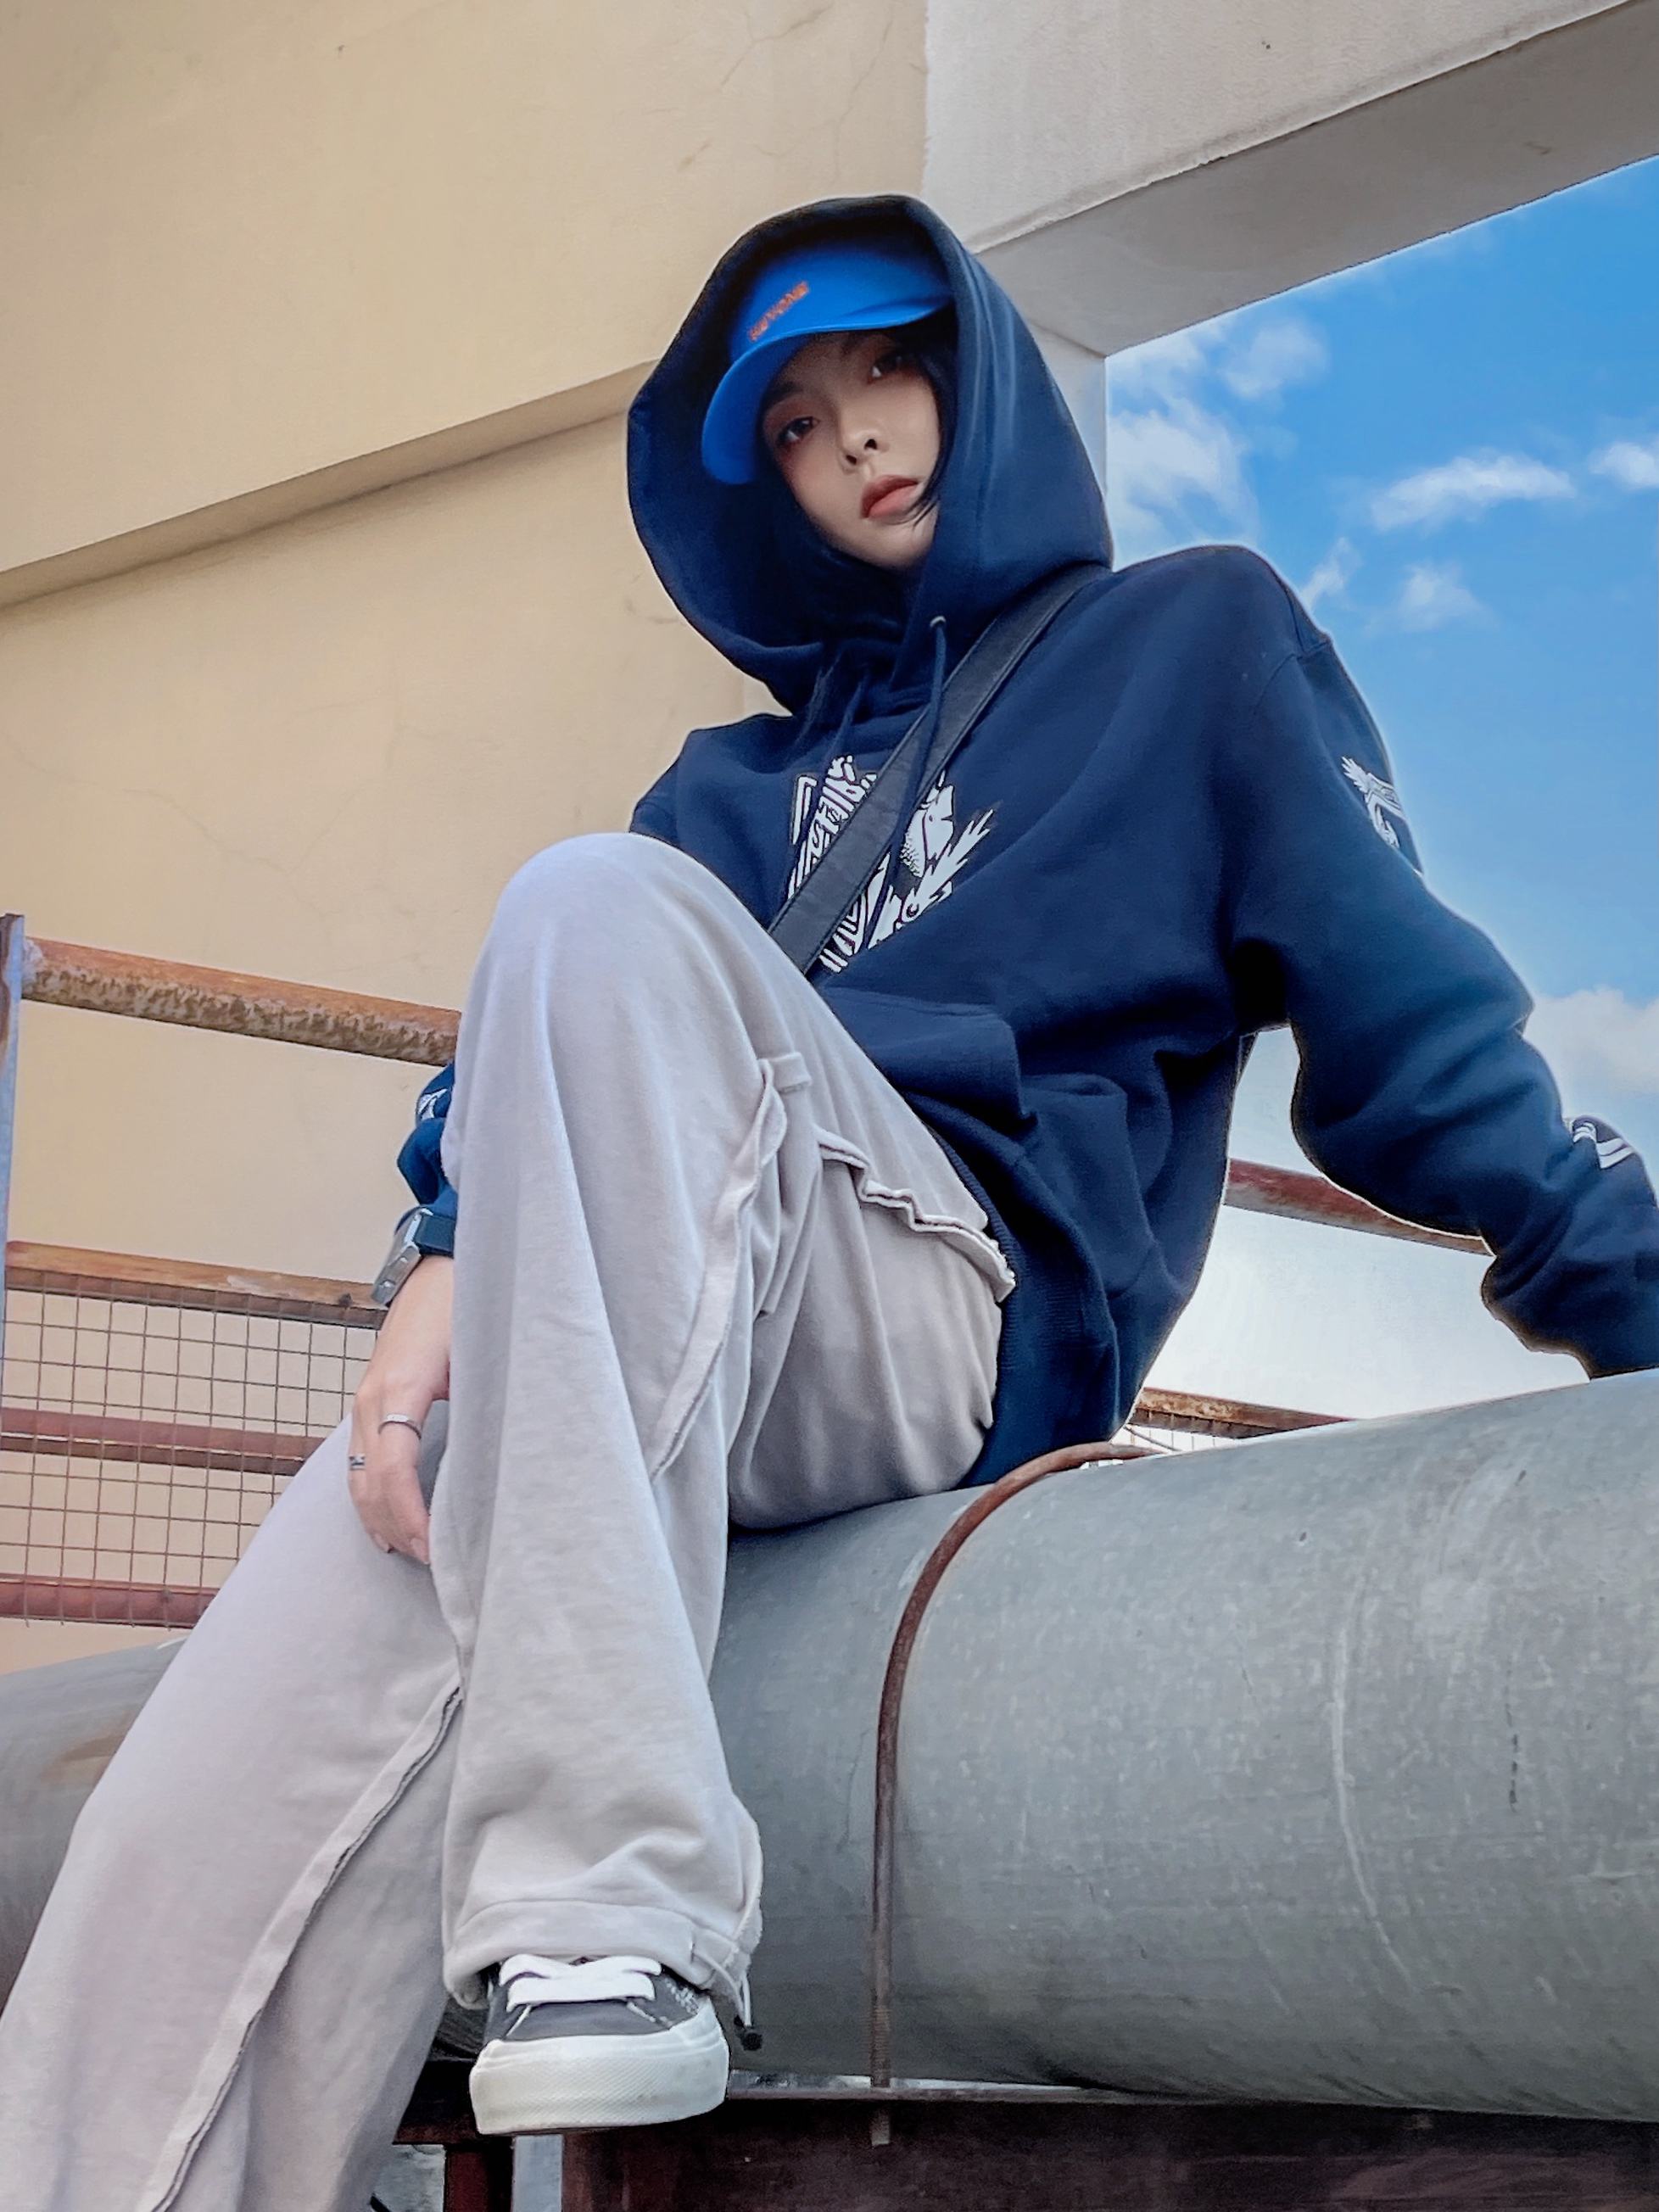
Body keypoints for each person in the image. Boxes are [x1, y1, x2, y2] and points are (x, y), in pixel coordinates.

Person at [3, 193, 1656, 2211]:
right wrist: (451, 1244)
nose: (855, 432)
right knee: (202, 1800)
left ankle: (609, 1906)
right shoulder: (725, 786)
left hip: (941, 1299)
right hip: (642, 1329)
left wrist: (1632, 1297)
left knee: (585, 905)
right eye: (793, 421)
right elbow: (561, 1059)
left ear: (978, 374)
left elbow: (1418, 1035)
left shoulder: (1193, 645)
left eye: (890, 368)